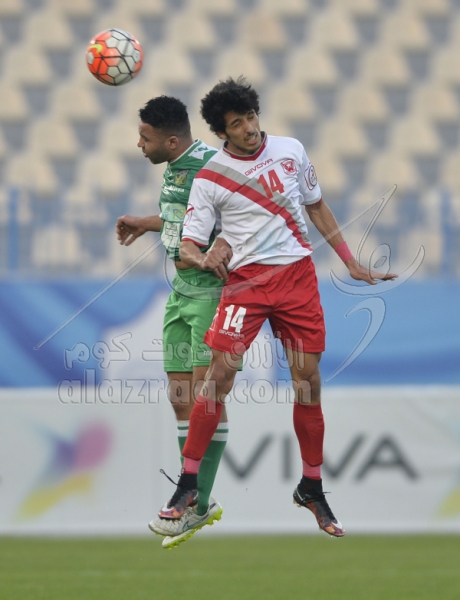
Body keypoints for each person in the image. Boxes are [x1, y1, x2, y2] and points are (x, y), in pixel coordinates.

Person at [155, 77, 397, 538]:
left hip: (297, 280)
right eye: (237, 124)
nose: (249, 128)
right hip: (245, 285)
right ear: (221, 133)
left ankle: (311, 486)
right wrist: (202, 258)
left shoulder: (291, 151)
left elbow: (317, 207)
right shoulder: (210, 178)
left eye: (251, 116)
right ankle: (188, 485)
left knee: (308, 382)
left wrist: (350, 261)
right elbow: (188, 243)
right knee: (218, 377)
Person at [116, 96, 232, 549]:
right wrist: (146, 223)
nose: (139, 145)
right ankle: (199, 500)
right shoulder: (176, 167)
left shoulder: (211, 166)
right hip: (180, 292)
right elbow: (179, 219)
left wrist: (219, 252)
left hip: (210, 294)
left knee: (206, 396)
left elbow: (236, 220)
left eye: (144, 138)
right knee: (181, 398)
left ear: (170, 140)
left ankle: (195, 503)